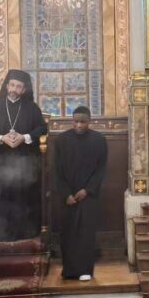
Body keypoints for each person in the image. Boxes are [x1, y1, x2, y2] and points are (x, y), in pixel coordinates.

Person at [0, 70, 48, 242]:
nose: (14, 89)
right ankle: (2, 233)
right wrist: (1, 138)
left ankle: (25, 232)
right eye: (12, 85)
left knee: (23, 196)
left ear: (24, 90)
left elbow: (42, 128)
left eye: (18, 86)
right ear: (7, 86)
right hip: (0, 163)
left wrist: (24, 137)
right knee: (2, 196)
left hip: (26, 163)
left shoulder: (32, 108)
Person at [51, 106, 108, 281]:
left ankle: (85, 270)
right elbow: (56, 170)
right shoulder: (61, 140)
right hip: (67, 196)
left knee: (86, 234)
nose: (79, 125)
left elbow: (101, 170)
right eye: (76, 121)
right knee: (67, 233)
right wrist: (66, 194)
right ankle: (69, 270)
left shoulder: (99, 140)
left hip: (89, 196)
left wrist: (87, 190)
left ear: (89, 121)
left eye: (83, 122)